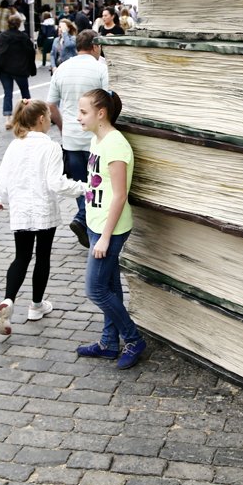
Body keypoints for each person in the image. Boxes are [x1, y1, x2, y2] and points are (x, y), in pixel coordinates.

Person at [0, 100, 89, 335]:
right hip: (43, 209)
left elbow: (3, 179)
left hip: (21, 210)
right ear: (42, 119)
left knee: (21, 257)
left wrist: (2, 198)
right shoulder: (51, 147)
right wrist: (84, 188)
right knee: (42, 257)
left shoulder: (15, 145)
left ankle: (8, 299)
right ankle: (36, 306)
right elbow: (55, 183)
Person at [74, 88, 146, 369]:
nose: (78, 117)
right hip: (96, 224)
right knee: (110, 288)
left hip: (111, 230)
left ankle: (133, 338)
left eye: (83, 112)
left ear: (100, 113)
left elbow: (119, 195)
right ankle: (108, 343)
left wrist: (104, 238)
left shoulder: (116, 145)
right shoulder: (98, 140)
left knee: (95, 289)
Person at [48, 30, 109, 246]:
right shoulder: (101, 68)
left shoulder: (62, 68)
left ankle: (83, 218)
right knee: (97, 182)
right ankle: (85, 221)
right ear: (95, 46)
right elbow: (109, 100)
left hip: (71, 138)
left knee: (79, 183)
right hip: (95, 137)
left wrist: (63, 126)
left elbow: (51, 105)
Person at [0, 15, 37, 129]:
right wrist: (31, 68)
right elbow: (31, 53)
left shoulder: (1, 37)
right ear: (19, 24)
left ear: (8, 23)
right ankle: (29, 116)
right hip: (19, 68)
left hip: (4, 68)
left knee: (7, 92)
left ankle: (8, 119)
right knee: (25, 92)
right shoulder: (24, 37)